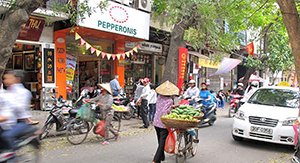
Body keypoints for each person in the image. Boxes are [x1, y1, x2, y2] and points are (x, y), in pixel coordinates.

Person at [0, 70, 38, 152]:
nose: (5, 80)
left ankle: (13, 156)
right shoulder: (6, 91)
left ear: (16, 79)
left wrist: (29, 120)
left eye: (8, 78)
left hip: (19, 121)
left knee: (6, 136)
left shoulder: (23, 92)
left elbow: (19, 109)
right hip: (7, 121)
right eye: (4, 78)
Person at [152, 81, 179, 163]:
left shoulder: (159, 97)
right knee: (162, 142)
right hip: (164, 123)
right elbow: (166, 111)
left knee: (159, 140)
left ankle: (161, 156)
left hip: (156, 121)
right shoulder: (170, 100)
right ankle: (156, 160)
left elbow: (160, 108)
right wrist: (172, 107)